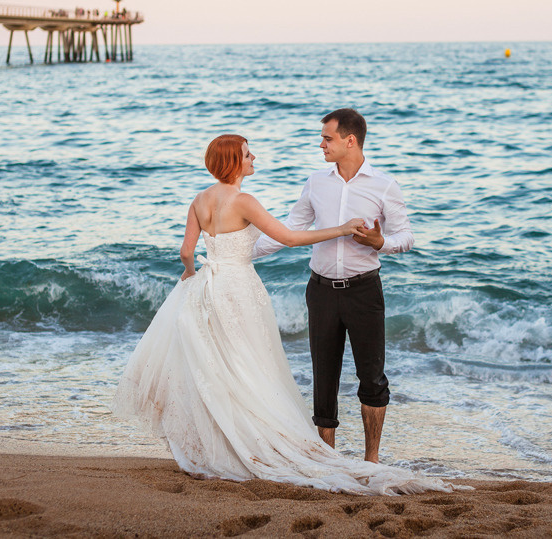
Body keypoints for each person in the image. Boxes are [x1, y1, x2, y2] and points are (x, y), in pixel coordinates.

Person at [112, 134, 462, 495]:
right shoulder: (244, 200)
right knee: (249, 367)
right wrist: (341, 229)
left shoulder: (199, 200)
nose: (253, 158)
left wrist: (190, 274)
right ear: (234, 162)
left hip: (208, 287)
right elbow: (290, 238)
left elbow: (187, 252)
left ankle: (221, 444)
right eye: (247, 154)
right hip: (239, 290)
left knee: (218, 368)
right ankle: (253, 444)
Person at [253, 108, 410, 464]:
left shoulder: (384, 185)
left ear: (349, 141)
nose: (320, 144)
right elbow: (290, 230)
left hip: (364, 291)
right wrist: (241, 253)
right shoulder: (316, 182)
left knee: (372, 377)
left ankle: (372, 461)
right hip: (320, 291)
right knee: (324, 378)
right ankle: (328, 461)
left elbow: (406, 236)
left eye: (327, 138)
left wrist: (379, 242)